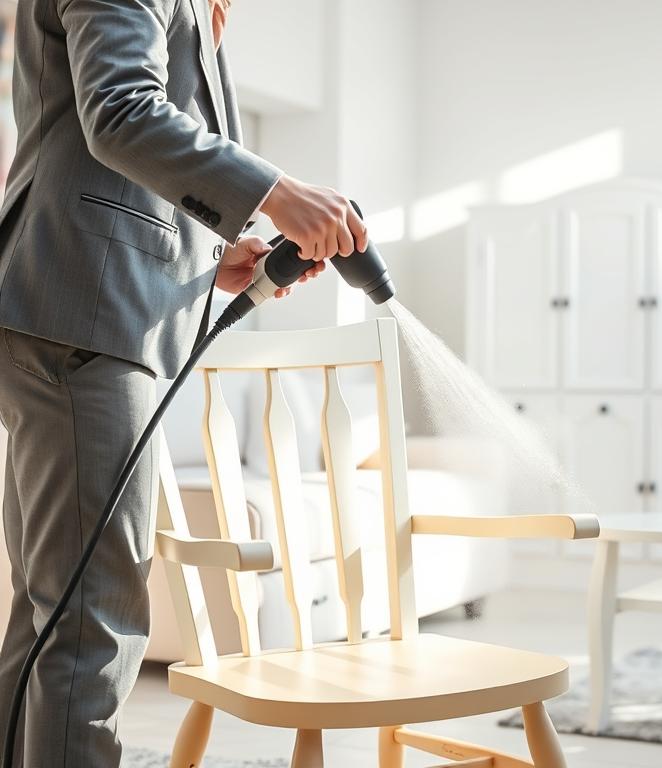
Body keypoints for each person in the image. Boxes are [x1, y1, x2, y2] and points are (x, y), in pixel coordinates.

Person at [0, 1, 367, 764]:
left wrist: (207, 257)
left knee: (52, 614)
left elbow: (104, 159)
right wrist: (279, 191)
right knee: (90, 617)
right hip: (84, 313)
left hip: (84, 305)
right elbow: (123, 112)